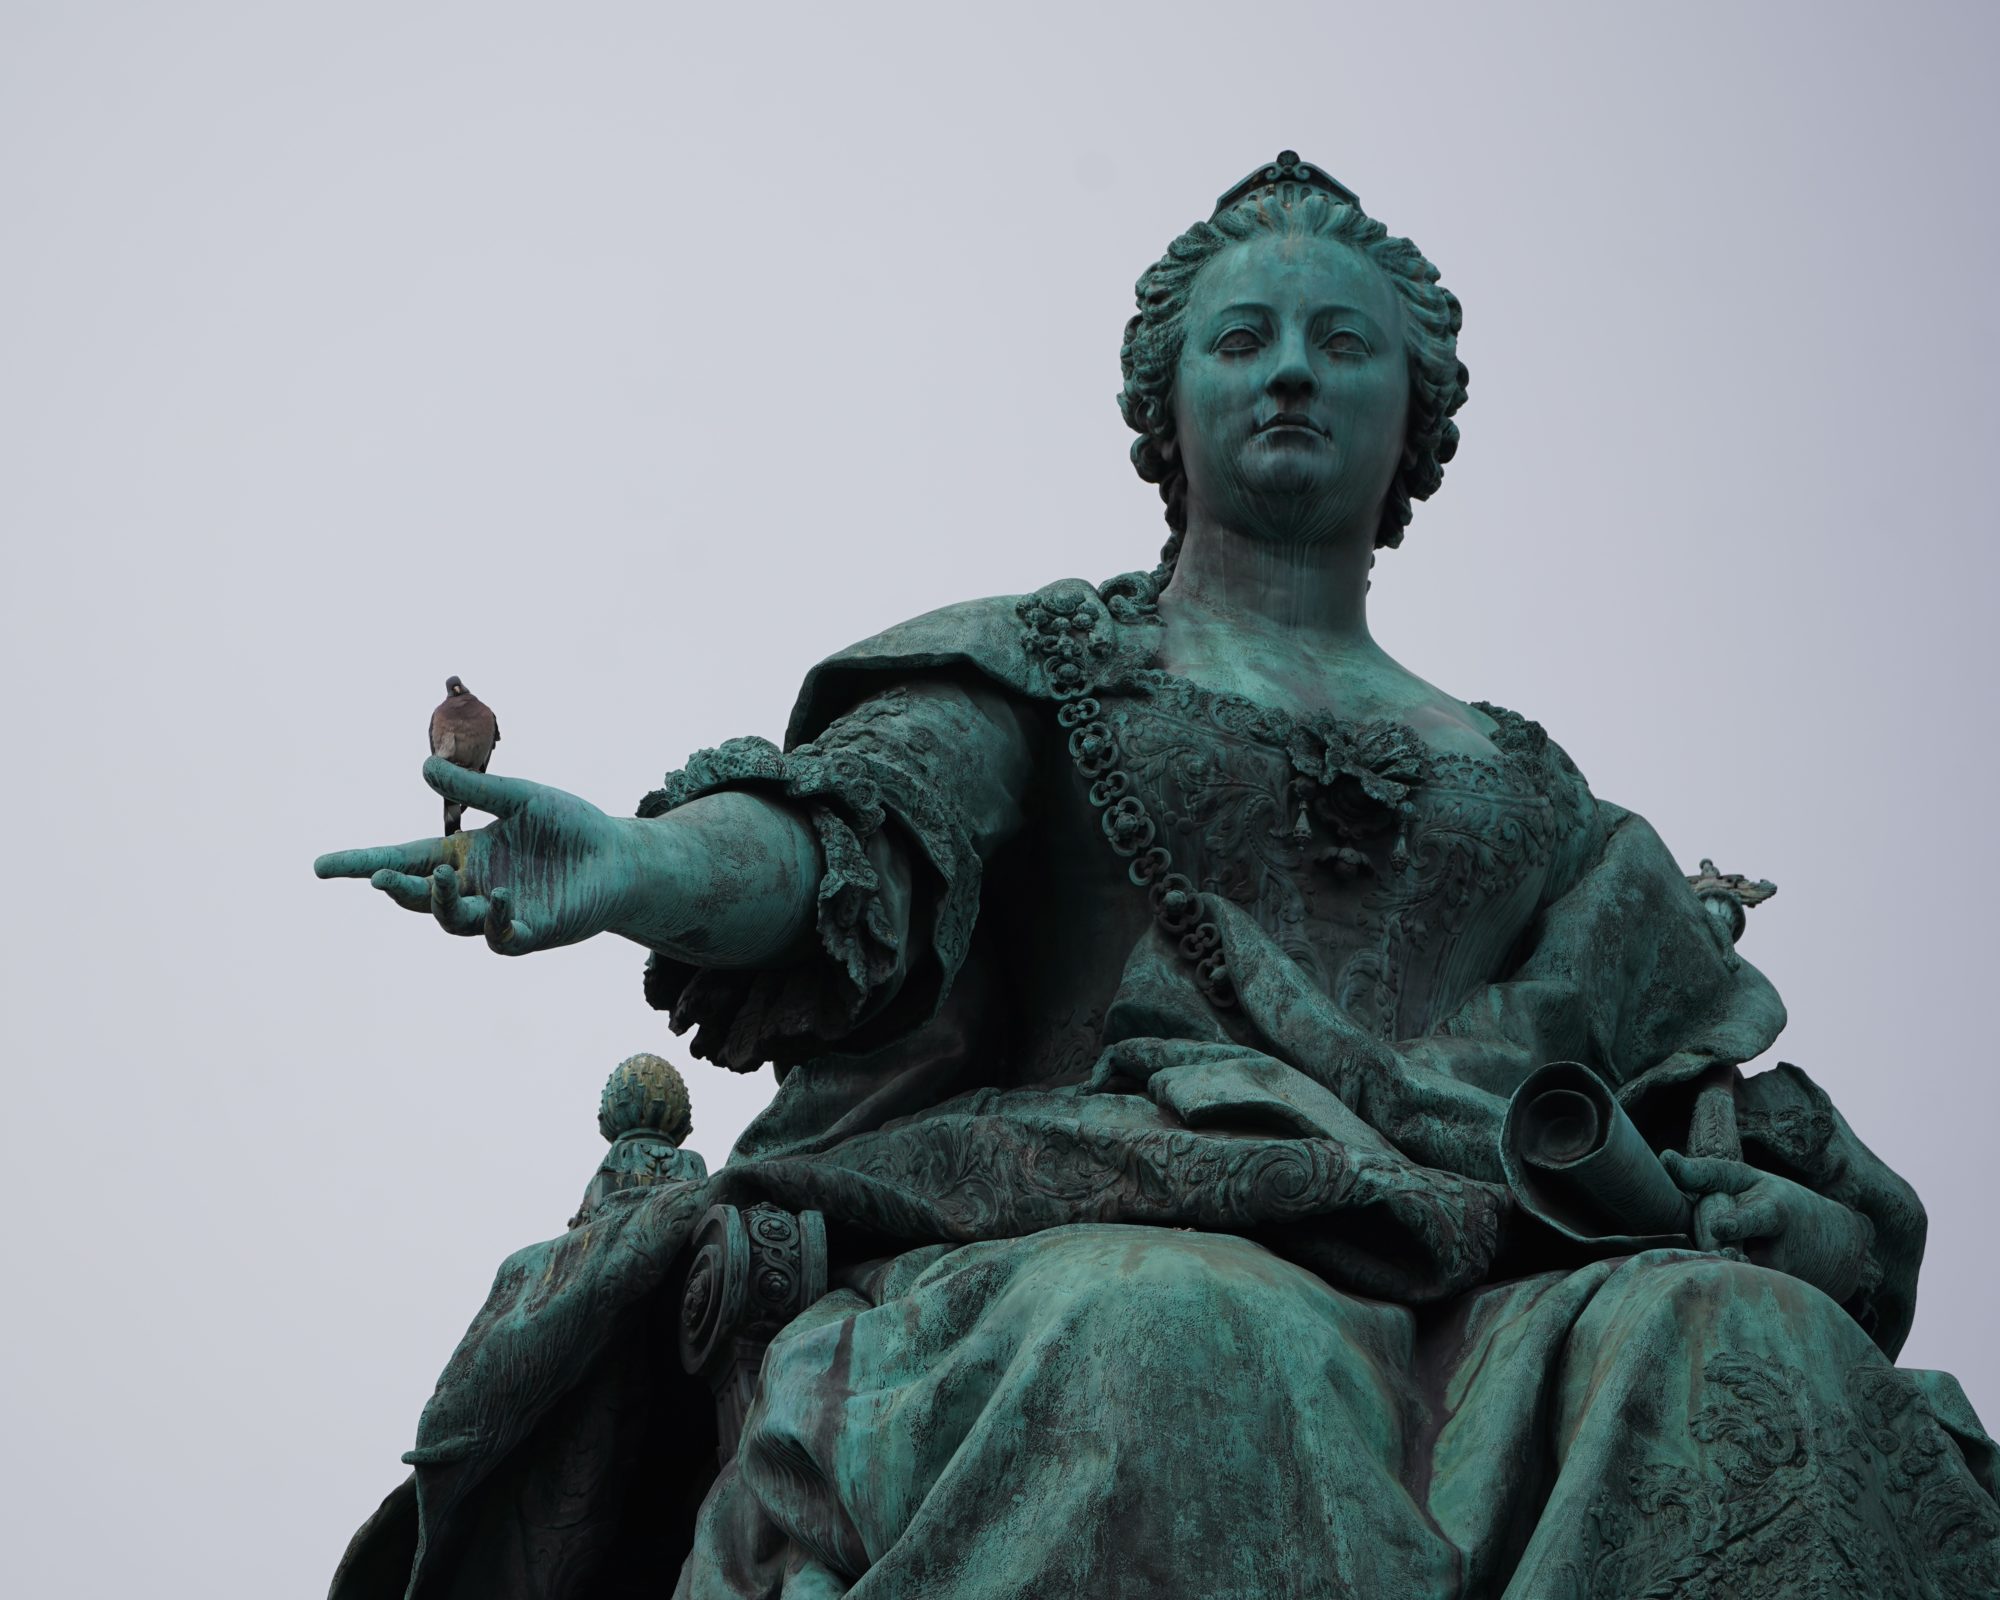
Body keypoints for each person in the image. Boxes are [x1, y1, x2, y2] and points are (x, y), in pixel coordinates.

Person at [318, 154, 1999, 1598]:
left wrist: (1786, 1222)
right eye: (1241, 339)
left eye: (1343, 346)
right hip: (1087, 1214)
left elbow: (1691, 1093)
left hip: (1489, 1277)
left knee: (1742, 1347)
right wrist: (642, 866)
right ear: (1166, 405)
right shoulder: (1045, 665)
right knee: (1185, 1337)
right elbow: (865, 848)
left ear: (1415, 415)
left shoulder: (1538, 797)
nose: (1290, 374)